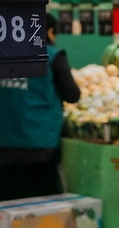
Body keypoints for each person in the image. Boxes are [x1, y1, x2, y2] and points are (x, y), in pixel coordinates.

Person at [0, 13, 81, 201]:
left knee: (7, 204)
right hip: (39, 142)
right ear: (50, 32)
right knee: (40, 205)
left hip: (4, 143)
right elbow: (72, 95)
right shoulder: (52, 55)